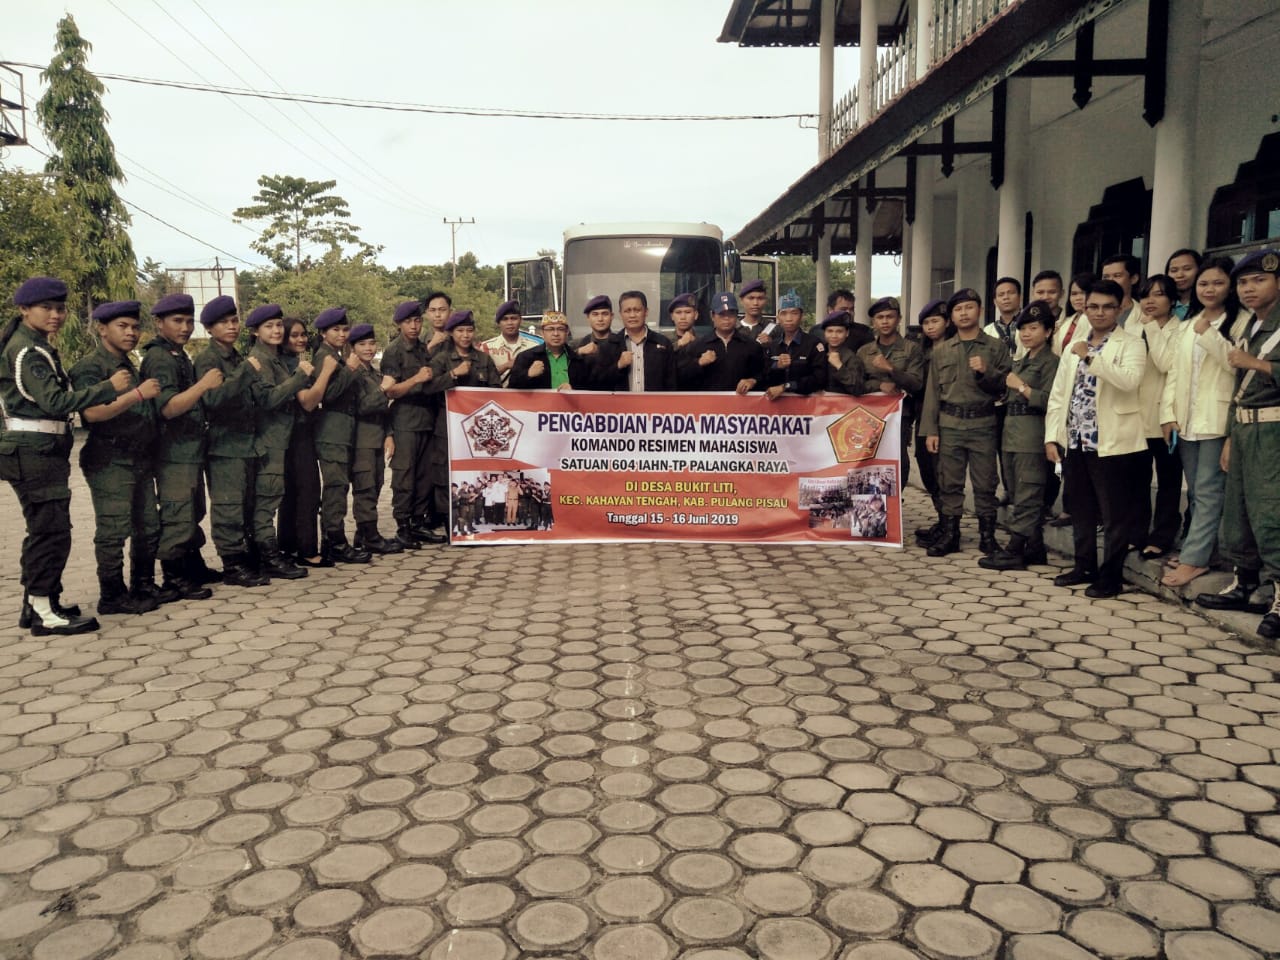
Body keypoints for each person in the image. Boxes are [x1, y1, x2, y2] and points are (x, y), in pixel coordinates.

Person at [1, 278, 135, 634]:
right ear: (24, 310)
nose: (56, 315)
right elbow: (54, 402)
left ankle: (39, 603)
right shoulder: (27, 351)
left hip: (39, 451)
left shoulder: (35, 346)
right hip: (34, 452)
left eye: (60, 308)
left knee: (45, 529)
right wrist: (108, 387)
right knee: (51, 532)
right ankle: (45, 612)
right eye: (47, 308)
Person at [1044, 279, 1148, 598]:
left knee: (1114, 512)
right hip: (1077, 441)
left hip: (1113, 443)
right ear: (1085, 308)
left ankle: (1111, 576)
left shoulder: (1131, 343)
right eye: (1093, 306)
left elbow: (1129, 381)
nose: (1100, 312)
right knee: (1080, 507)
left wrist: (1091, 357)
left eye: (1107, 307)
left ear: (1119, 309)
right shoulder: (1074, 347)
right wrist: (1052, 437)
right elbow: (1059, 394)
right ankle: (1084, 565)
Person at [1196, 249, 1280, 639]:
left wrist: (1259, 364)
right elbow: (1238, 390)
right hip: (1244, 429)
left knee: (1270, 514)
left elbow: (1251, 370)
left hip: (1273, 433)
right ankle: (1245, 583)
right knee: (1239, 511)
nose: (1248, 289)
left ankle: (1278, 595)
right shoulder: (1250, 326)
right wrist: (1231, 436)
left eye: (1258, 280)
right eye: (1244, 282)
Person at [69, 301, 164, 615]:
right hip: (109, 457)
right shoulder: (90, 367)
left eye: (135, 327)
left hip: (139, 457)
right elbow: (93, 414)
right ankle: (111, 594)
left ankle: (143, 583)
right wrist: (136, 395)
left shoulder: (127, 363)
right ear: (102, 328)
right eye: (122, 326)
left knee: (148, 526)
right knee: (114, 530)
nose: (131, 333)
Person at [1159, 257, 1241, 588]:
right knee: (1196, 491)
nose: (1209, 289)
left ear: (1230, 287)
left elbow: (1236, 365)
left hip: (1216, 420)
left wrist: (1208, 334)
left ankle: (1194, 560)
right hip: (1187, 421)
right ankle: (1207, 550)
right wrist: (1168, 414)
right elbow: (1174, 373)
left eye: (1218, 283)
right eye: (1204, 284)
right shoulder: (1187, 323)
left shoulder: (1239, 322)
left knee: (1208, 492)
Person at [141, 293, 222, 601]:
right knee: (178, 512)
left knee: (192, 510)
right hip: (173, 452)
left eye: (189, 321)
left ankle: (192, 565)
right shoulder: (160, 358)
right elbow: (168, 408)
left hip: (188, 449)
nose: (185, 327)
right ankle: (174, 577)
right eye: (177, 321)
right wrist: (202, 386)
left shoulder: (177, 354)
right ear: (159, 323)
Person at [918, 288, 1012, 556]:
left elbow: (1006, 388)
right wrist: (930, 431)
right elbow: (933, 394)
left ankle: (987, 536)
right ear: (951, 316)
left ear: (980, 311)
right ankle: (951, 534)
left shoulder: (995, 348)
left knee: (985, 483)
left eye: (969, 307)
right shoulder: (943, 350)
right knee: (949, 482)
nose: (964, 313)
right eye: (958, 309)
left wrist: (987, 371)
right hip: (949, 424)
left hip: (983, 422)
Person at [193, 296, 269, 588]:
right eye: (223, 322)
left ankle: (246, 556)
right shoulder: (209, 359)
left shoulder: (235, 356)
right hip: (224, 445)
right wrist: (246, 372)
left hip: (245, 443)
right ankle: (232, 562)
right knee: (229, 505)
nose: (232, 326)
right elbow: (212, 398)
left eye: (234, 320)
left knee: (246, 503)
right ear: (210, 329)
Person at [980, 301, 1059, 570]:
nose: (1026, 334)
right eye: (1022, 328)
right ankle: (1035, 548)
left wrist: (1022, 387)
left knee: (1028, 492)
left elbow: (1051, 400)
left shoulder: (1051, 362)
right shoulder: (1023, 360)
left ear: (1048, 332)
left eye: (1033, 328)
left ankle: (1014, 550)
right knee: (1015, 489)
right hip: (1012, 432)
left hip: (1032, 434)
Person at [244, 304, 313, 580]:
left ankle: (269, 553)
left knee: (273, 495)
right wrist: (300, 377)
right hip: (269, 438)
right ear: (255, 331)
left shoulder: (273, 358)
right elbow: (269, 399)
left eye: (277, 325)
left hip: (280, 437)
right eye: (268, 326)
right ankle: (268, 557)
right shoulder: (259, 360)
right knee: (266, 499)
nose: (276, 331)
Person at [381, 300, 446, 547]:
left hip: (426, 419)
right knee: (404, 475)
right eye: (409, 321)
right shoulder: (393, 351)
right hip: (404, 420)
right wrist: (416, 378)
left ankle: (418, 523)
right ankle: (403, 525)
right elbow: (390, 391)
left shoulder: (421, 348)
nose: (414, 325)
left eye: (418, 320)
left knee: (424, 476)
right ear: (399, 324)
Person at [312, 307, 371, 565]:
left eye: (345, 329)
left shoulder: (335, 355)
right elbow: (328, 395)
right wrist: (349, 370)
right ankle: (335, 542)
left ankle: (332, 541)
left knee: (339, 486)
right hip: (331, 430)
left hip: (342, 431)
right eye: (335, 329)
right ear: (323, 333)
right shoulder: (325, 357)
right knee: (335, 487)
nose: (341, 334)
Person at [1132, 275, 1185, 560]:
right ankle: (1136, 533)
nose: (1150, 301)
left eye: (1159, 295)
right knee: (1137, 481)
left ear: (1172, 299)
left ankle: (1162, 536)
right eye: (1146, 295)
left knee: (1168, 481)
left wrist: (1151, 327)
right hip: (1138, 417)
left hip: (1167, 418)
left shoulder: (1181, 330)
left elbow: (1166, 363)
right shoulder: (1134, 326)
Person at [278, 318, 334, 568]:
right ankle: (307, 549)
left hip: (292, 433)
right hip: (298, 434)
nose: (301, 340)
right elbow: (308, 401)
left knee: (291, 494)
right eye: (294, 335)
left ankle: (288, 547)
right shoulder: (294, 365)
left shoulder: (286, 361)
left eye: (303, 335)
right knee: (308, 492)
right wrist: (326, 373)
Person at [346, 323, 401, 555]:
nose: (368, 348)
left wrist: (388, 434)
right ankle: (370, 536)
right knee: (365, 487)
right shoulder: (353, 373)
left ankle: (364, 533)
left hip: (377, 437)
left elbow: (382, 410)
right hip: (361, 439)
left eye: (371, 343)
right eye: (362, 344)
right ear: (353, 347)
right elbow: (362, 407)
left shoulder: (374, 372)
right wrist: (383, 390)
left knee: (377, 484)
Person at [856, 296, 924, 485]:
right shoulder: (864, 351)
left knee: (897, 459)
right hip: (868, 414)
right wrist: (878, 386)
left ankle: (895, 503)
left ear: (899, 319)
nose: (885, 321)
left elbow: (917, 384)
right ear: (873, 322)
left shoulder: (912, 349)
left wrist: (891, 369)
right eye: (880, 317)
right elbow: (856, 384)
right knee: (868, 459)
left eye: (890, 317)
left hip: (900, 415)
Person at [912, 299, 953, 546]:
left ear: (947, 322)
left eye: (935, 321)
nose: (930, 327)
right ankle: (942, 520)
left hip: (946, 419)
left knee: (944, 472)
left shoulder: (952, 348)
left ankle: (950, 526)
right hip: (923, 417)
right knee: (927, 468)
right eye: (926, 322)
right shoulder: (922, 352)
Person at [679, 291, 765, 393]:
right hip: (707, 406)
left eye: (730, 314)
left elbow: (765, 375)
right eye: (721, 314)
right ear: (712, 315)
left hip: (741, 406)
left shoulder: (751, 346)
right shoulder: (697, 346)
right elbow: (680, 377)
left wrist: (753, 380)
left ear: (737, 315)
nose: (726, 319)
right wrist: (698, 363)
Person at [595, 291, 676, 391]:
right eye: (627, 311)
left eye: (637, 310)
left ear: (646, 312)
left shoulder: (663, 343)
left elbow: (672, 383)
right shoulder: (608, 345)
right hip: (621, 405)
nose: (632, 315)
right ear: (621, 314)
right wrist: (618, 365)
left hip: (654, 405)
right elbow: (598, 383)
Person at [763, 290, 827, 399]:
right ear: (778, 317)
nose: (789, 318)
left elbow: (819, 379)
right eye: (784, 313)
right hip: (776, 409)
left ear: (802, 316)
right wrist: (776, 366)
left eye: (794, 313)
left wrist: (786, 386)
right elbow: (764, 376)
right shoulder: (772, 345)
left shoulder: (814, 344)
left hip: (807, 409)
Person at [510, 311, 590, 390]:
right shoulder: (527, 357)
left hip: (569, 402)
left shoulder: (577, 360)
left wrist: (573, 389)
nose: (556, 334)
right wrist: (528, 374)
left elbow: (589, 389)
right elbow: (512, 386)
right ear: (542, 333)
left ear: (567, 332)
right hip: (539, 403)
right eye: (550, 329)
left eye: (560, 329)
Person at [481, 300, 539, 386]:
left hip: (526, 397)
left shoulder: (534, 346)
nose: (510, 323)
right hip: (496, 397)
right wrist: (506, 366)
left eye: (514, 318)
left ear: (520, 320)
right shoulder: (487, 347)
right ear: (498, 323)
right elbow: (481, 377)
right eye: (505, 319)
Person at [820, 310, 865, 397]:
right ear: (824, 333)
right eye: (830, 331)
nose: (834, 336)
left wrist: (839, 366)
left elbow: (858, 389)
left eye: (839, 331)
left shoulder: (852, 358)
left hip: (842, 408)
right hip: (817, 406)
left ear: (847, 333)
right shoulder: (818, 352)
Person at [984, 277, 1024, 358]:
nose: (1006, 297)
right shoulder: (988, 330)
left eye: (1011, 293)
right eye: (1001, 294)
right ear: (995, 301)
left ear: (1020, 297)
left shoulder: (1032, 324)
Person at [1100, 254, 1142, 328]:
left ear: (1134, 279)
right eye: (1106, 277)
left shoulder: (1143, 314)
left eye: (1117, 276)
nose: (1110, 280)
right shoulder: (1088, 314)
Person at [1165, 248, 1202, 321]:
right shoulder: (1164, 304)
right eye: (1174, 270)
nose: (1179, 275)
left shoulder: (1207, 304)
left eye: (1187, 269)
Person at [740, 279, 775, 344]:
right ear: (741, 300)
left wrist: (771, 344)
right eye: (751, 298)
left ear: (765, 301)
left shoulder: (774, 329)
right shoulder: (733, 329)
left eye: (760, 298)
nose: (755, 303)